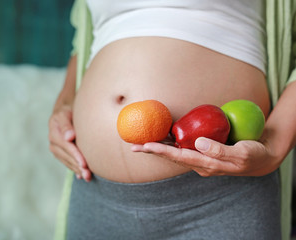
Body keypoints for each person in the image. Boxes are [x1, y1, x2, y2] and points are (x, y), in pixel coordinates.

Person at [49, 0, 296, 239]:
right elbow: (85, 38)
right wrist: (64, 103)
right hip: (95, 195)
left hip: (219, 197)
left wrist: (276, 147)